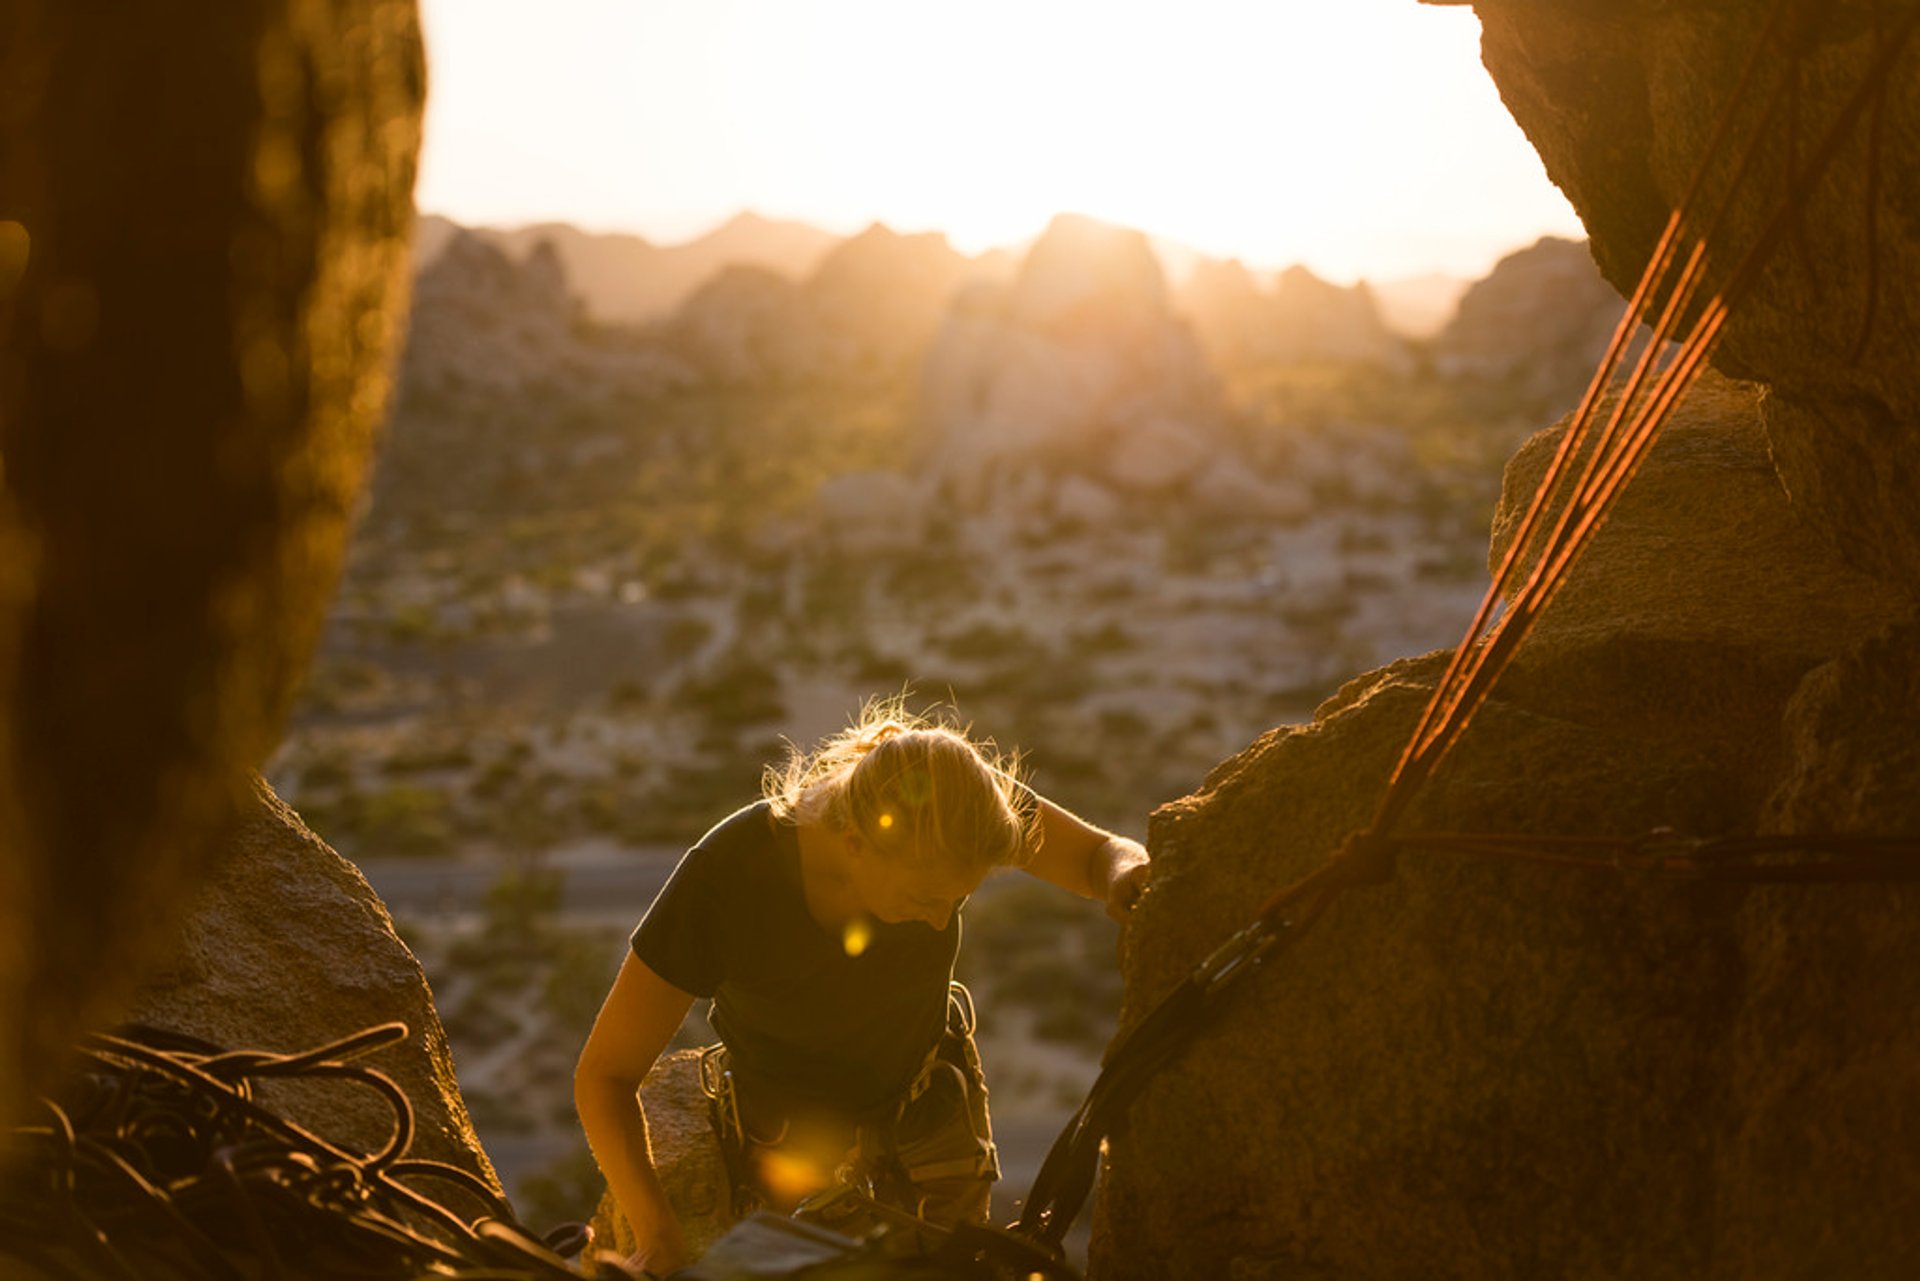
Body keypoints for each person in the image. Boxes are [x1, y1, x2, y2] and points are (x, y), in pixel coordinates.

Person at [574, 702, 1150, 1277]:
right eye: (927, 899)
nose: (937, 922)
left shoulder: (950, 803)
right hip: (791, 1151)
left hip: (932, 1128)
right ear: (856, 842)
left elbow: (1100, 855)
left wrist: (1126, 874)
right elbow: (606, 1075)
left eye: (957, 902)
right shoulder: (727, 879)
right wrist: (657, 1233)